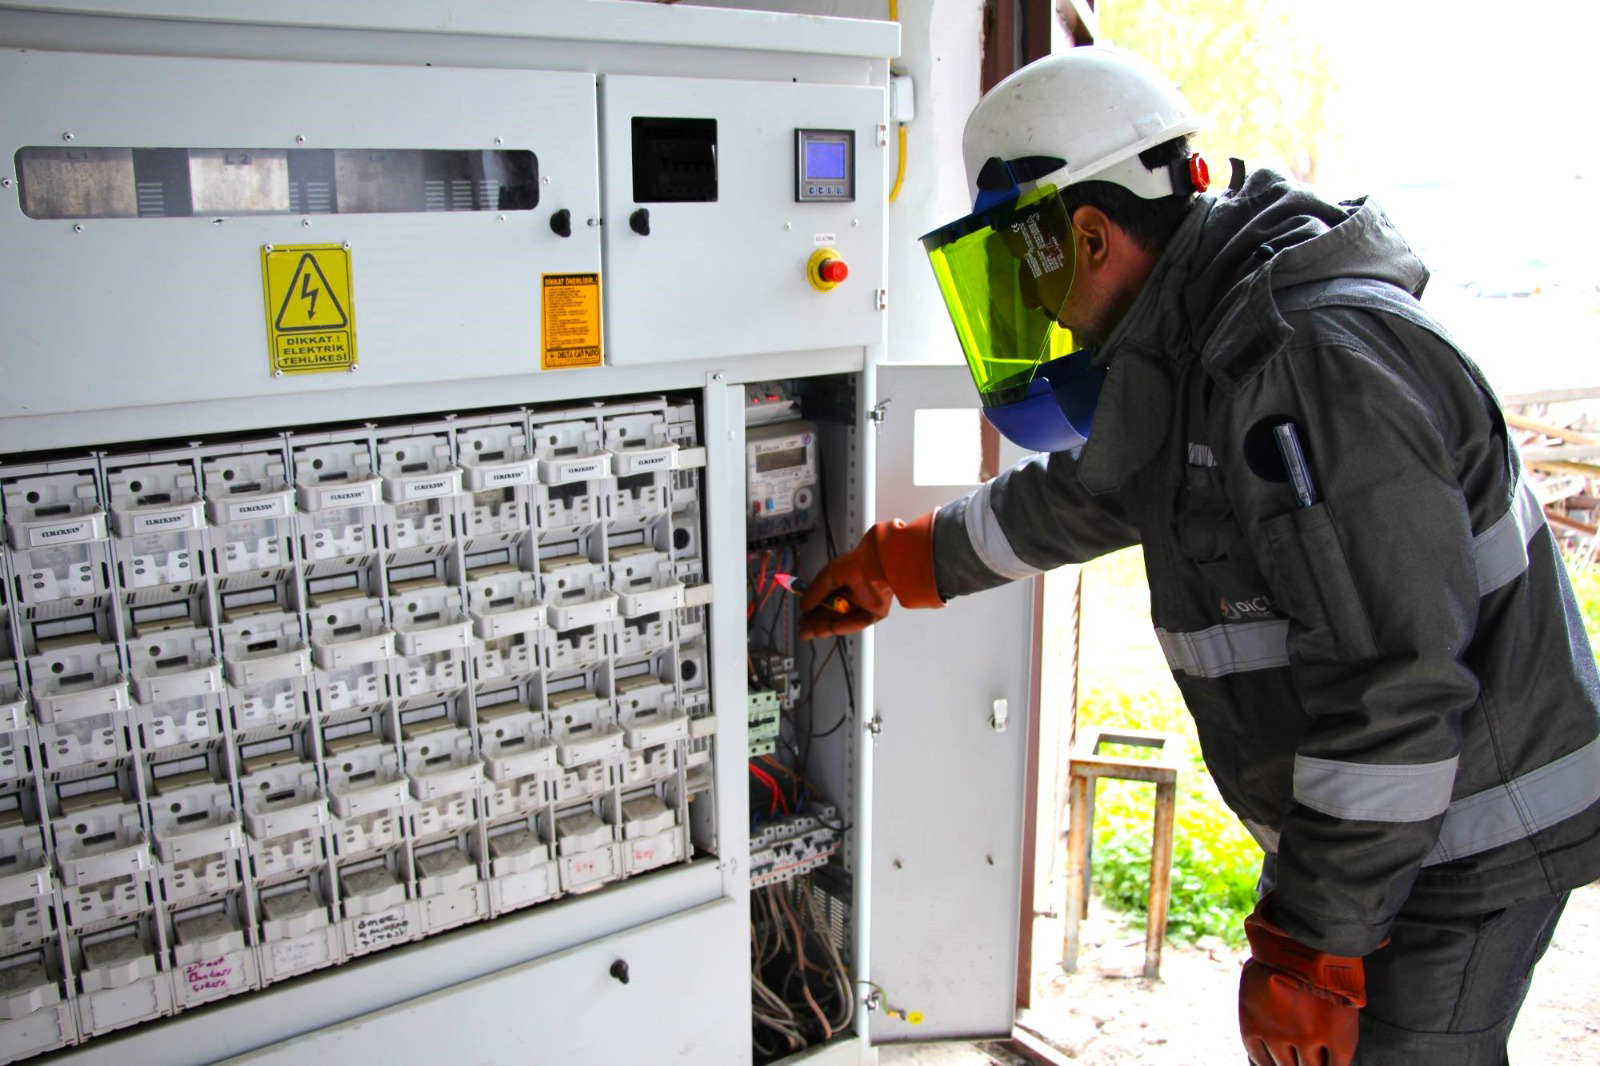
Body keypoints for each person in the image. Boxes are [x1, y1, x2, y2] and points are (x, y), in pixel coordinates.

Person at [799, 46, 1600, 1065]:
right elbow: (1102, 489)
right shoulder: (1206, 335)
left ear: (1088, 236)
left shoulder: (1304, 362)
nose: (1033, 306)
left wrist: (1313, 948)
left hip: (1463, 835)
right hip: (1394, 824)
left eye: (1022, 267)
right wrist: (908, 560)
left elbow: (1393, 683)